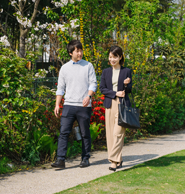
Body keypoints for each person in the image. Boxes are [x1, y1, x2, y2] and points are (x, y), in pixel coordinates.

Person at [51, 40, 97, 169]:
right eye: (77, 51)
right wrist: (57, 105)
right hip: (68, 105)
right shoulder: (65, 68)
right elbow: (60, 88)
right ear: (71, 53)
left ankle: (85, 158)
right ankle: (60, 160)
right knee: (64, 133)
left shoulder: (88, 66)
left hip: (84, 106)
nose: (80, 53)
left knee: (85, 133)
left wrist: (88, 97)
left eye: (81, 50)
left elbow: (93, 84)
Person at [99, 45, 132, 171]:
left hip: (122, 104)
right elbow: (102, 89)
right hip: (109, 104)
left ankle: (113, 161)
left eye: (115, 57)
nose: (112, 59)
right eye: (110, 57)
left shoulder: (126, 71)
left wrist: (126, 85)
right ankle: (119, 159)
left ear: (120, 57)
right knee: (110, 134)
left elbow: (129, 90)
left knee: (118, 133)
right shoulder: (105, 72)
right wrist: (115, 93)